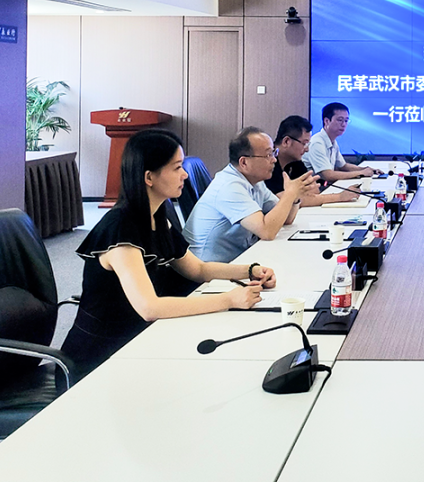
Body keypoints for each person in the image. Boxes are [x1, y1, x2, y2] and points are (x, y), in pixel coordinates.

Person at [62, 129, 277, 378]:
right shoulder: (120, 231)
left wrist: (250, 270)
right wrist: (228, 300)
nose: (184, 174)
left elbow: (198, 269)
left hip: (140, 341)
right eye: (176, 168)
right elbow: (149, 307)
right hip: (99, 361)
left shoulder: (156, 217)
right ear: (149, 177)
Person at [183, 127, 316, 263]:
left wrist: (295, 197)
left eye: (273, 153)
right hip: (207, 268)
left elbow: (285, 219)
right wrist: (289, 194)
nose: (274, 160)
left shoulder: (255, 181)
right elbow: (267, 231)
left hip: (237, 258)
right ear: (244, 162)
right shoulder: (230, 187)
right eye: (268, 155)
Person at [264, 114, 357, 206]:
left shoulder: (296, 163)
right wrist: (339, 197)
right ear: (286, 141)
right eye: (304, 143)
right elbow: (283, 200)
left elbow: (314, 191)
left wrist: (298, 196)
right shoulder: (268, 162)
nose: (307, 149)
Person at [305, 102, 380, 182]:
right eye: (340, 120)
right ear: (327, 121)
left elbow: (343, 166)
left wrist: (366, 169)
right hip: (314, 187)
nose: (344, 124)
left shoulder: (332, 141)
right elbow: (327, 175)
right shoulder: (317, 143)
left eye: (346, 120)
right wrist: (361, 173)